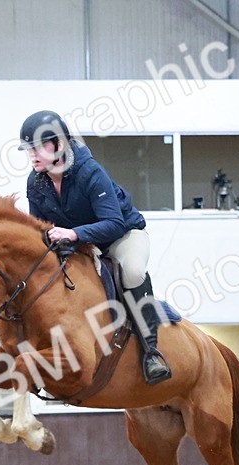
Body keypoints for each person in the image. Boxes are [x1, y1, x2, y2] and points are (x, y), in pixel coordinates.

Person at [18, 109, 172, 385]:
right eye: (29, 149)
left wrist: (74, 234)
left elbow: (113, 222)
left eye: (39, 147)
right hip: (79, 243)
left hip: (121, 236)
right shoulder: (36, 182)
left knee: (133, 272)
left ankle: (151, 351)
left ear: (60, 144)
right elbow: (39, 227)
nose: (33, 154)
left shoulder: (90, 172)